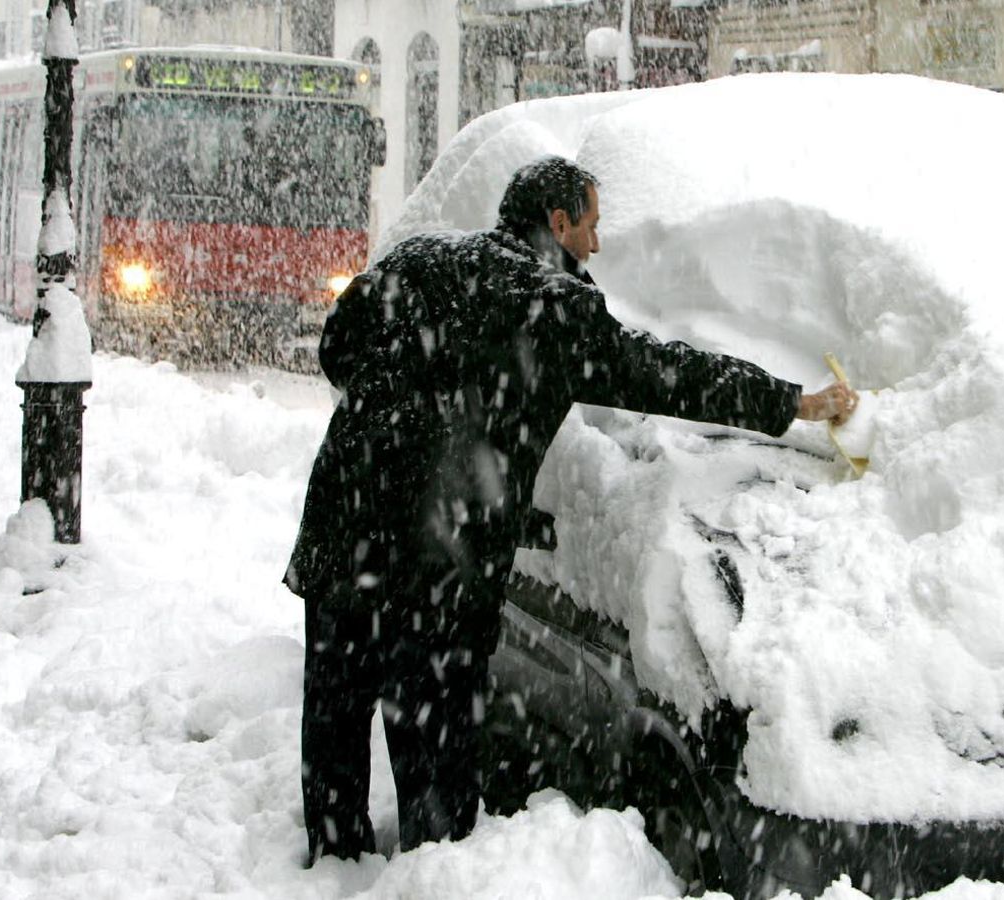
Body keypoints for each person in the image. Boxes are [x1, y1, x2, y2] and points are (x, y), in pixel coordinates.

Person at [284, 155, 856, 864]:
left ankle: (332, 863)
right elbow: (665, 375)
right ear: (556, 222)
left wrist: (391, 419)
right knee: (433, 736)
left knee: (336, 718)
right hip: (442, 559)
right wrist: (788, 401)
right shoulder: (554, 308)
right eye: (590, 225)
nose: (597, 244)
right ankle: (431, 867)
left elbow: (336, 347)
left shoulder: (419, 259)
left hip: (347, 527)